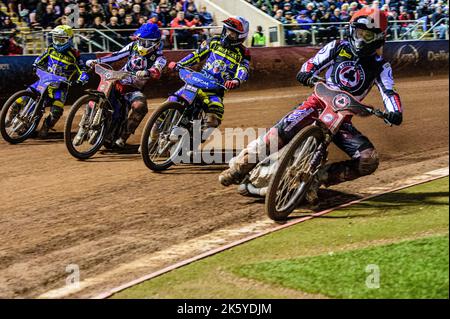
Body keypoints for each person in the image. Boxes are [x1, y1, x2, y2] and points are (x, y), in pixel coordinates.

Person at [219, 8, 404, 203]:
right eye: (359, 33)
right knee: (275, 135)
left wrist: (394, 111)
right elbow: (311, 63)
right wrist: (306, 73)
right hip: (316, 104)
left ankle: (319, 177)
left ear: (379, 37)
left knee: (369, 159)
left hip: (342, 119)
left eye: (368, 35)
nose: (362, 39)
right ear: (351, 30)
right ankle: (239, 167)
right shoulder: (337, 46)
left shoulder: (381, 66)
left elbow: (389, 91)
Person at [165, 16, 251, 137]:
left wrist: (236, 80)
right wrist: (179, 64)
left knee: (214, 117)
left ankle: (194, 143)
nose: (227, 35)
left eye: (232, 33)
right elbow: (196, 55)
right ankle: (152, 137)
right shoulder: (214, 40)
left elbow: (244, 68)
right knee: (172, 100)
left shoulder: (243, 52)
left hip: (215, 90)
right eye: (227, 30)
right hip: (198, 80)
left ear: (240, 37)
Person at [85, 23, 167, 148]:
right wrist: (98, 61)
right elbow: (116, 55)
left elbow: (157, 71)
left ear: (154, 43)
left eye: (145, 42)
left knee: (140, 106)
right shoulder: (133, 46)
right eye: (140, 40)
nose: (141, 44)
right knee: (100, 93)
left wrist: (147, 72)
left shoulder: (160, 58)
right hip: (118, 80)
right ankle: (87, 121)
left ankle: (123, 137)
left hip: (133, 89)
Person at [32, 25, 89, 138]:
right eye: (56, 38)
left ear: (69, 40)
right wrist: (35, 64)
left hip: (59, 88)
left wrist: (80, 80)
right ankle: (11, 116)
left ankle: (46, 126)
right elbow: (40, 58)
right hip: (44, 81)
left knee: (57, 111)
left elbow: (83, 71)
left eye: (61, 39)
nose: (57, 42)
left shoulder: (74, 55)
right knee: (22, 98)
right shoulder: (51, 48)